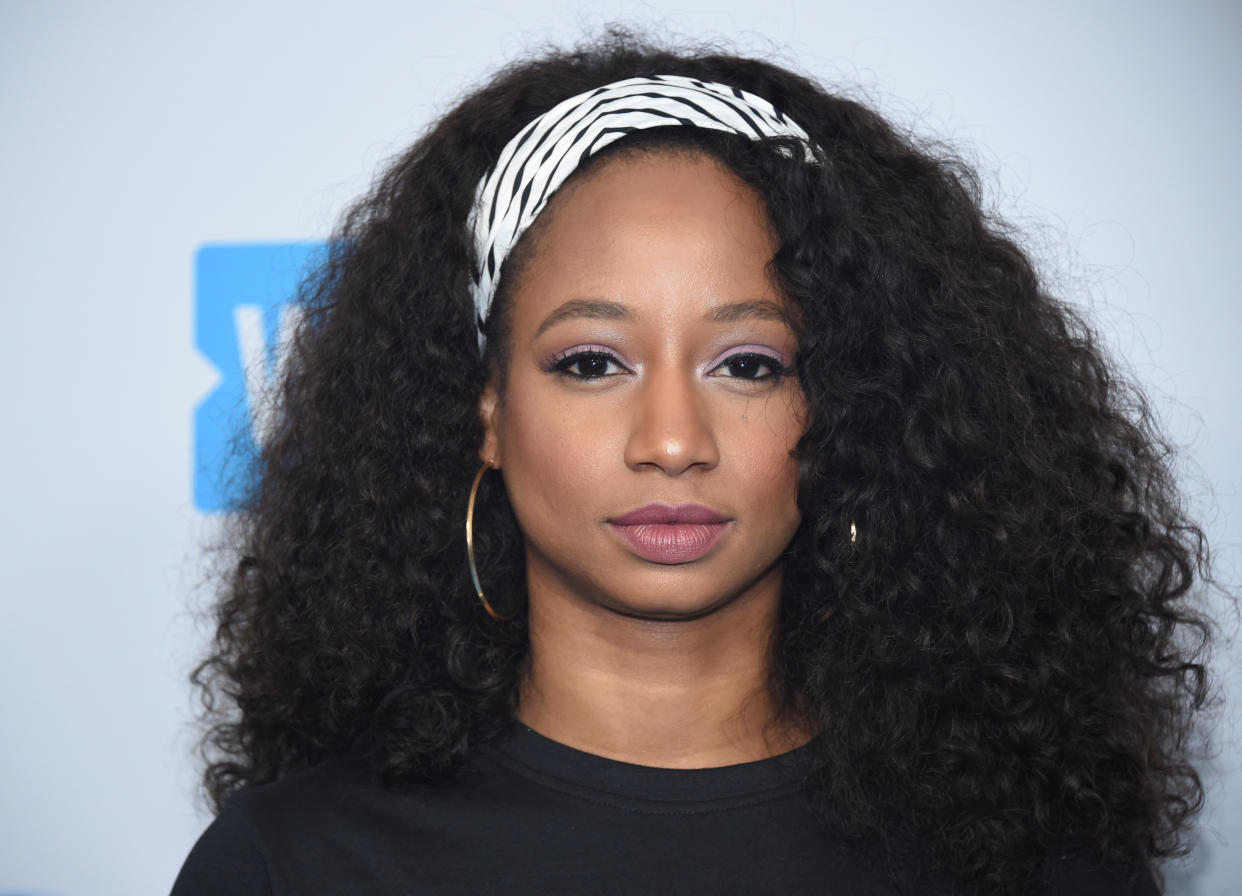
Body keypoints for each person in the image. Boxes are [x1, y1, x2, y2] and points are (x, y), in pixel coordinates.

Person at [172, 31, 1213, 896]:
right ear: (485, 411)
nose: (672, 439)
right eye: (590, 360)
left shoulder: (1033, 867)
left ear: (843, 403)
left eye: (749, 363)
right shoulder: (291, 865)